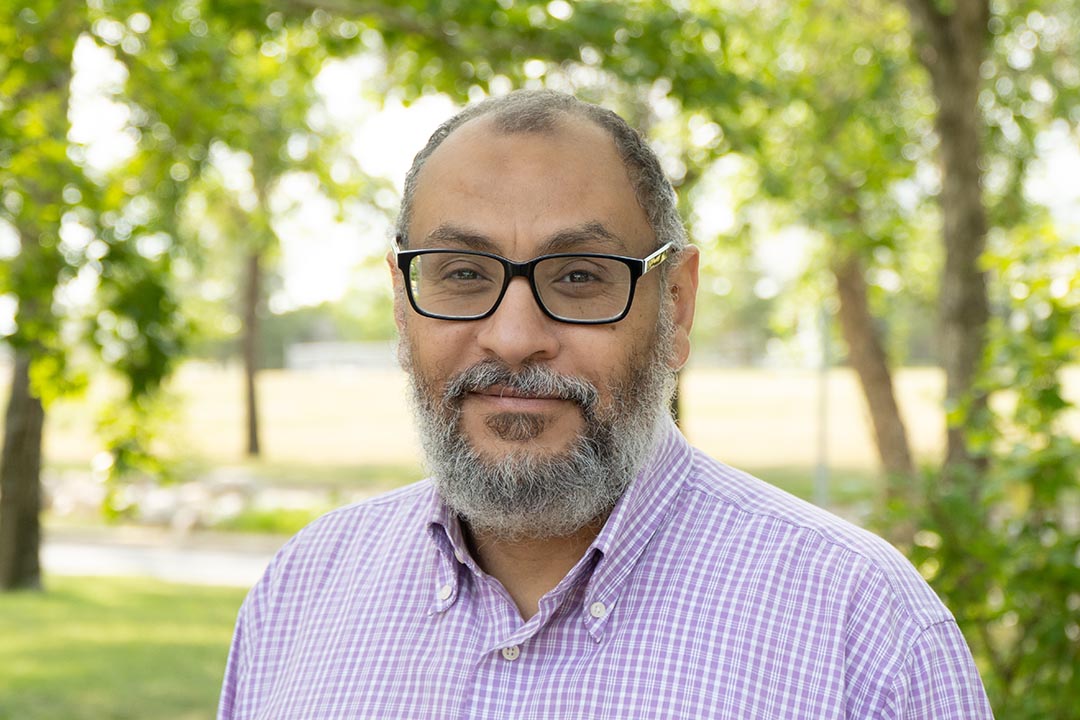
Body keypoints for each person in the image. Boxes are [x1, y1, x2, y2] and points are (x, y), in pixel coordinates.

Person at [218, 90, 993, 719]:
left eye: (580, 277)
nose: (514, 336)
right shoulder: (302, 593)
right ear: (402, 304)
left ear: (676, 306)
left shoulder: (862, 629)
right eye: (461, 274)